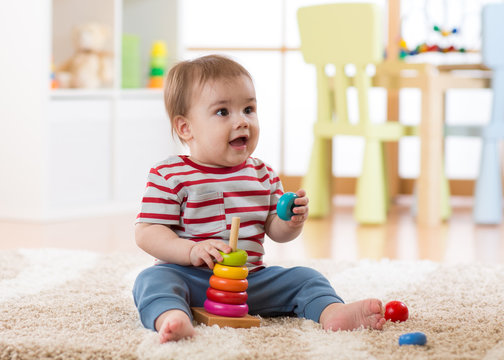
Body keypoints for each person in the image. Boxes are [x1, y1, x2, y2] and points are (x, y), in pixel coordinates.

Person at [133, 54, 386, 343]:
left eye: (249, 109)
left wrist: (289, 221)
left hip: (248, 282)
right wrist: (190, 251)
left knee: (305, 277)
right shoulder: (170, 174)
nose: (242, 121)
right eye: (222, 112)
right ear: (185, 128)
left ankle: (332, 312)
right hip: (190, 279)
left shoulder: (262, 173)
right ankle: (171, 316)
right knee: (151, 281)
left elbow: (274, 230)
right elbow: (147, 232)